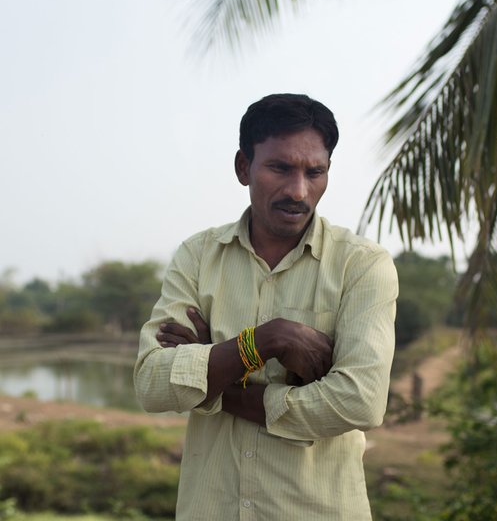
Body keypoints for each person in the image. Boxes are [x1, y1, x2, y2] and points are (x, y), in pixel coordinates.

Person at [133, 93, 398, 520]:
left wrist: (216, 373)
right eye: (280, 168)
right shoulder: (199, 256)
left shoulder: (361, 265)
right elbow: (150, 382)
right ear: (243, 167)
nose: (299, 190)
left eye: (315, 172)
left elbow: (361, 402)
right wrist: (266, 340)